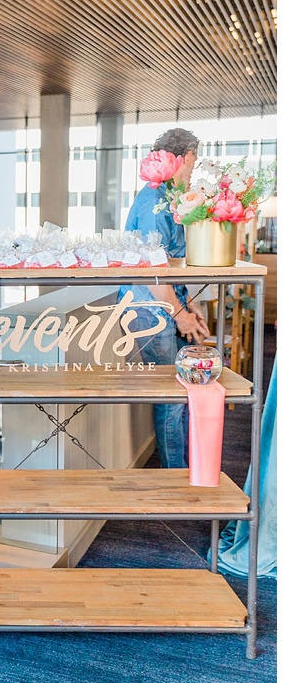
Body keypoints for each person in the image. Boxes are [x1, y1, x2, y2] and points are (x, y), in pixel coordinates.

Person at [119, 128, 210, 467]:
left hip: (168, 304)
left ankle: (187, 468)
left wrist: (190, 304)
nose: (193, 172)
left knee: (183, 391)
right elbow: (150, 269)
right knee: (171, 398)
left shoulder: (170, 198)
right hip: (150, 309)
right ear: (183, 158)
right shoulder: (154, 203)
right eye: (193, 164)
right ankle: (177, 477)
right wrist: (180, 314)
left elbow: (172, 262)